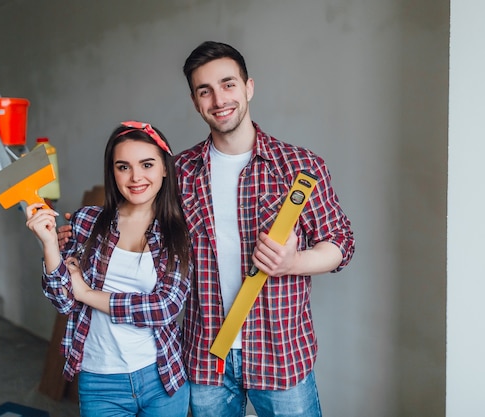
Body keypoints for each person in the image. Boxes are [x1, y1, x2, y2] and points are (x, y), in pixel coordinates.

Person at [59, 41, 355, 417]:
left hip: (281, 352)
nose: (219, 99)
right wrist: (78, 235)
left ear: (248, 87)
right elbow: (131, 215)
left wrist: (292, 262)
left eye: (228, 84)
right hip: (205, 355)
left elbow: (341, 243)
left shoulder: (299, 166)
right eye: (205, 90)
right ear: (195, 101)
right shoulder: (178, 173)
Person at [26, 121, 192, 417]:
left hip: (162, 377)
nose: (136, 177)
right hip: (100, 380)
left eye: (147, 164)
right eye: (123, 166)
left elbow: (164, 308)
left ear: (165, 169)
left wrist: (87, 294)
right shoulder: (87, 222)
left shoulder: (177, 231)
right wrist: (50, 245)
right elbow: (63, 300)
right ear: (112, 172)